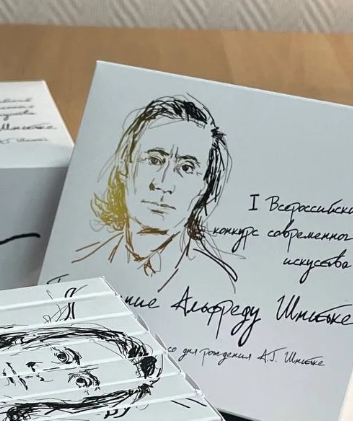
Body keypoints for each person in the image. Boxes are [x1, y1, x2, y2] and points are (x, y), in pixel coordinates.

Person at [74, 95, 237, 292]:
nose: (162, 184)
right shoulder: (79, 266)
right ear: (125, 166)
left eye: (186, 168)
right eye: (154, 160)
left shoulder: (218, 284)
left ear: (204, 187)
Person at [0, 323, 162, 421]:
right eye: (63, 356)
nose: (43, 372)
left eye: (81, 381)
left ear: (72, 404)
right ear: (33, 338)